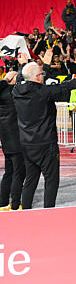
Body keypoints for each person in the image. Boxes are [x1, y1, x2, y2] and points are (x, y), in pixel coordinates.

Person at [14, 50, 76, 209]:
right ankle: (49, 212)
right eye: (42, 73)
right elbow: (70, 85)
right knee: (51, 181)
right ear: (38, 77)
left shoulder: (17, 90)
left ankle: (26, 212)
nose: (44, 75)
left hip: (26, 143)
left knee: (30, 180)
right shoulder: (44, 92)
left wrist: (27, 64)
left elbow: (23, 78)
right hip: (46, 144)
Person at [0, 70, 25, 211]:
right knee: (18, 172)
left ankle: (3, 202)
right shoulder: (13, 93)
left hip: (6, 139)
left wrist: (5, 80)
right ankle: (15, 204)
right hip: (16, 139)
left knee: (9, 171)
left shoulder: (2, 93)